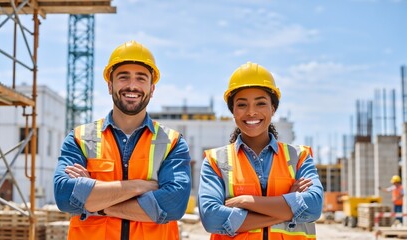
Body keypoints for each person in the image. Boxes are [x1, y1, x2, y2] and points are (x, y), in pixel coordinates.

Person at [53, 40, 192, 240]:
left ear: (152, 89)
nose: (132, 85)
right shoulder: (79, 138)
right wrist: (140, 186)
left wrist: (96, 204)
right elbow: (65, 196)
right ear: (110, 85)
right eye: (123, 77)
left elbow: (173, 205)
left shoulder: (172, 143)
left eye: (141, 78)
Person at [198, 62, 324, 239]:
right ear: (232, 111)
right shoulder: (215, 161)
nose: (251, 112)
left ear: (273, 109)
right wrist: (289, 206)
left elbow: (313, 207)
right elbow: (212, 219)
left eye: (260, 103)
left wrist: (246, 202)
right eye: (242, 105)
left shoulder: (299, 157)